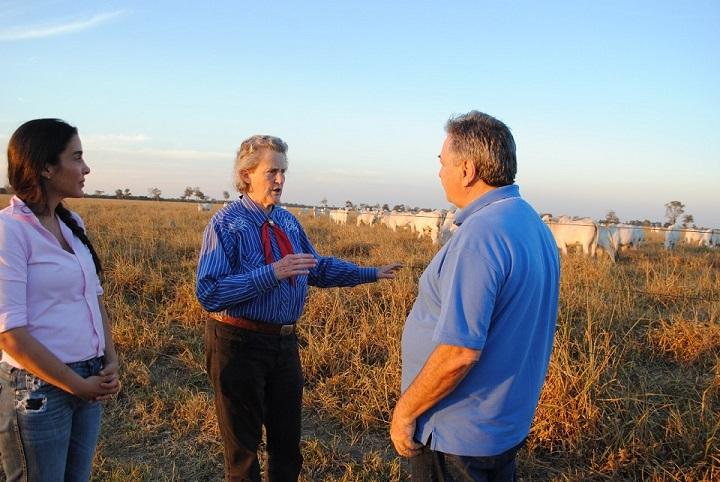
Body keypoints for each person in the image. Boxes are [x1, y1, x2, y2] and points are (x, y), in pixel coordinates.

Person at [196, 134, 401, 481]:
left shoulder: (289, 222)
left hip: (284, 344)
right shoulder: (225, 224)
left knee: (287, 446)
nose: (280, 180)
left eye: (283, 172)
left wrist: (370, 273)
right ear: (246, 174)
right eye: (271, 172)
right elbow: (210, 292)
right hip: (238, 343)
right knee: (243, 453)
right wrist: (271, 274)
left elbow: (316, 268)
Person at [390, 111, 560, 481]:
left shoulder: (481, 236)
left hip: (457, 435)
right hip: (502, 425)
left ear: (466, 170)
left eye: (442, 162)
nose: (439, 172)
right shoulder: (531, 223)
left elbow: (458, 353)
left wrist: (405, 412)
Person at [0, 118, 121, 481]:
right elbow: (9, 334)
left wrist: (109, 360)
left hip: (89, 375)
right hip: (36, 389)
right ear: (46, 167)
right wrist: (75, 384)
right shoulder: (9, 230)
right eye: (77, 157)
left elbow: (94, 298)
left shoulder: (72, 225)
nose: (86, 168)